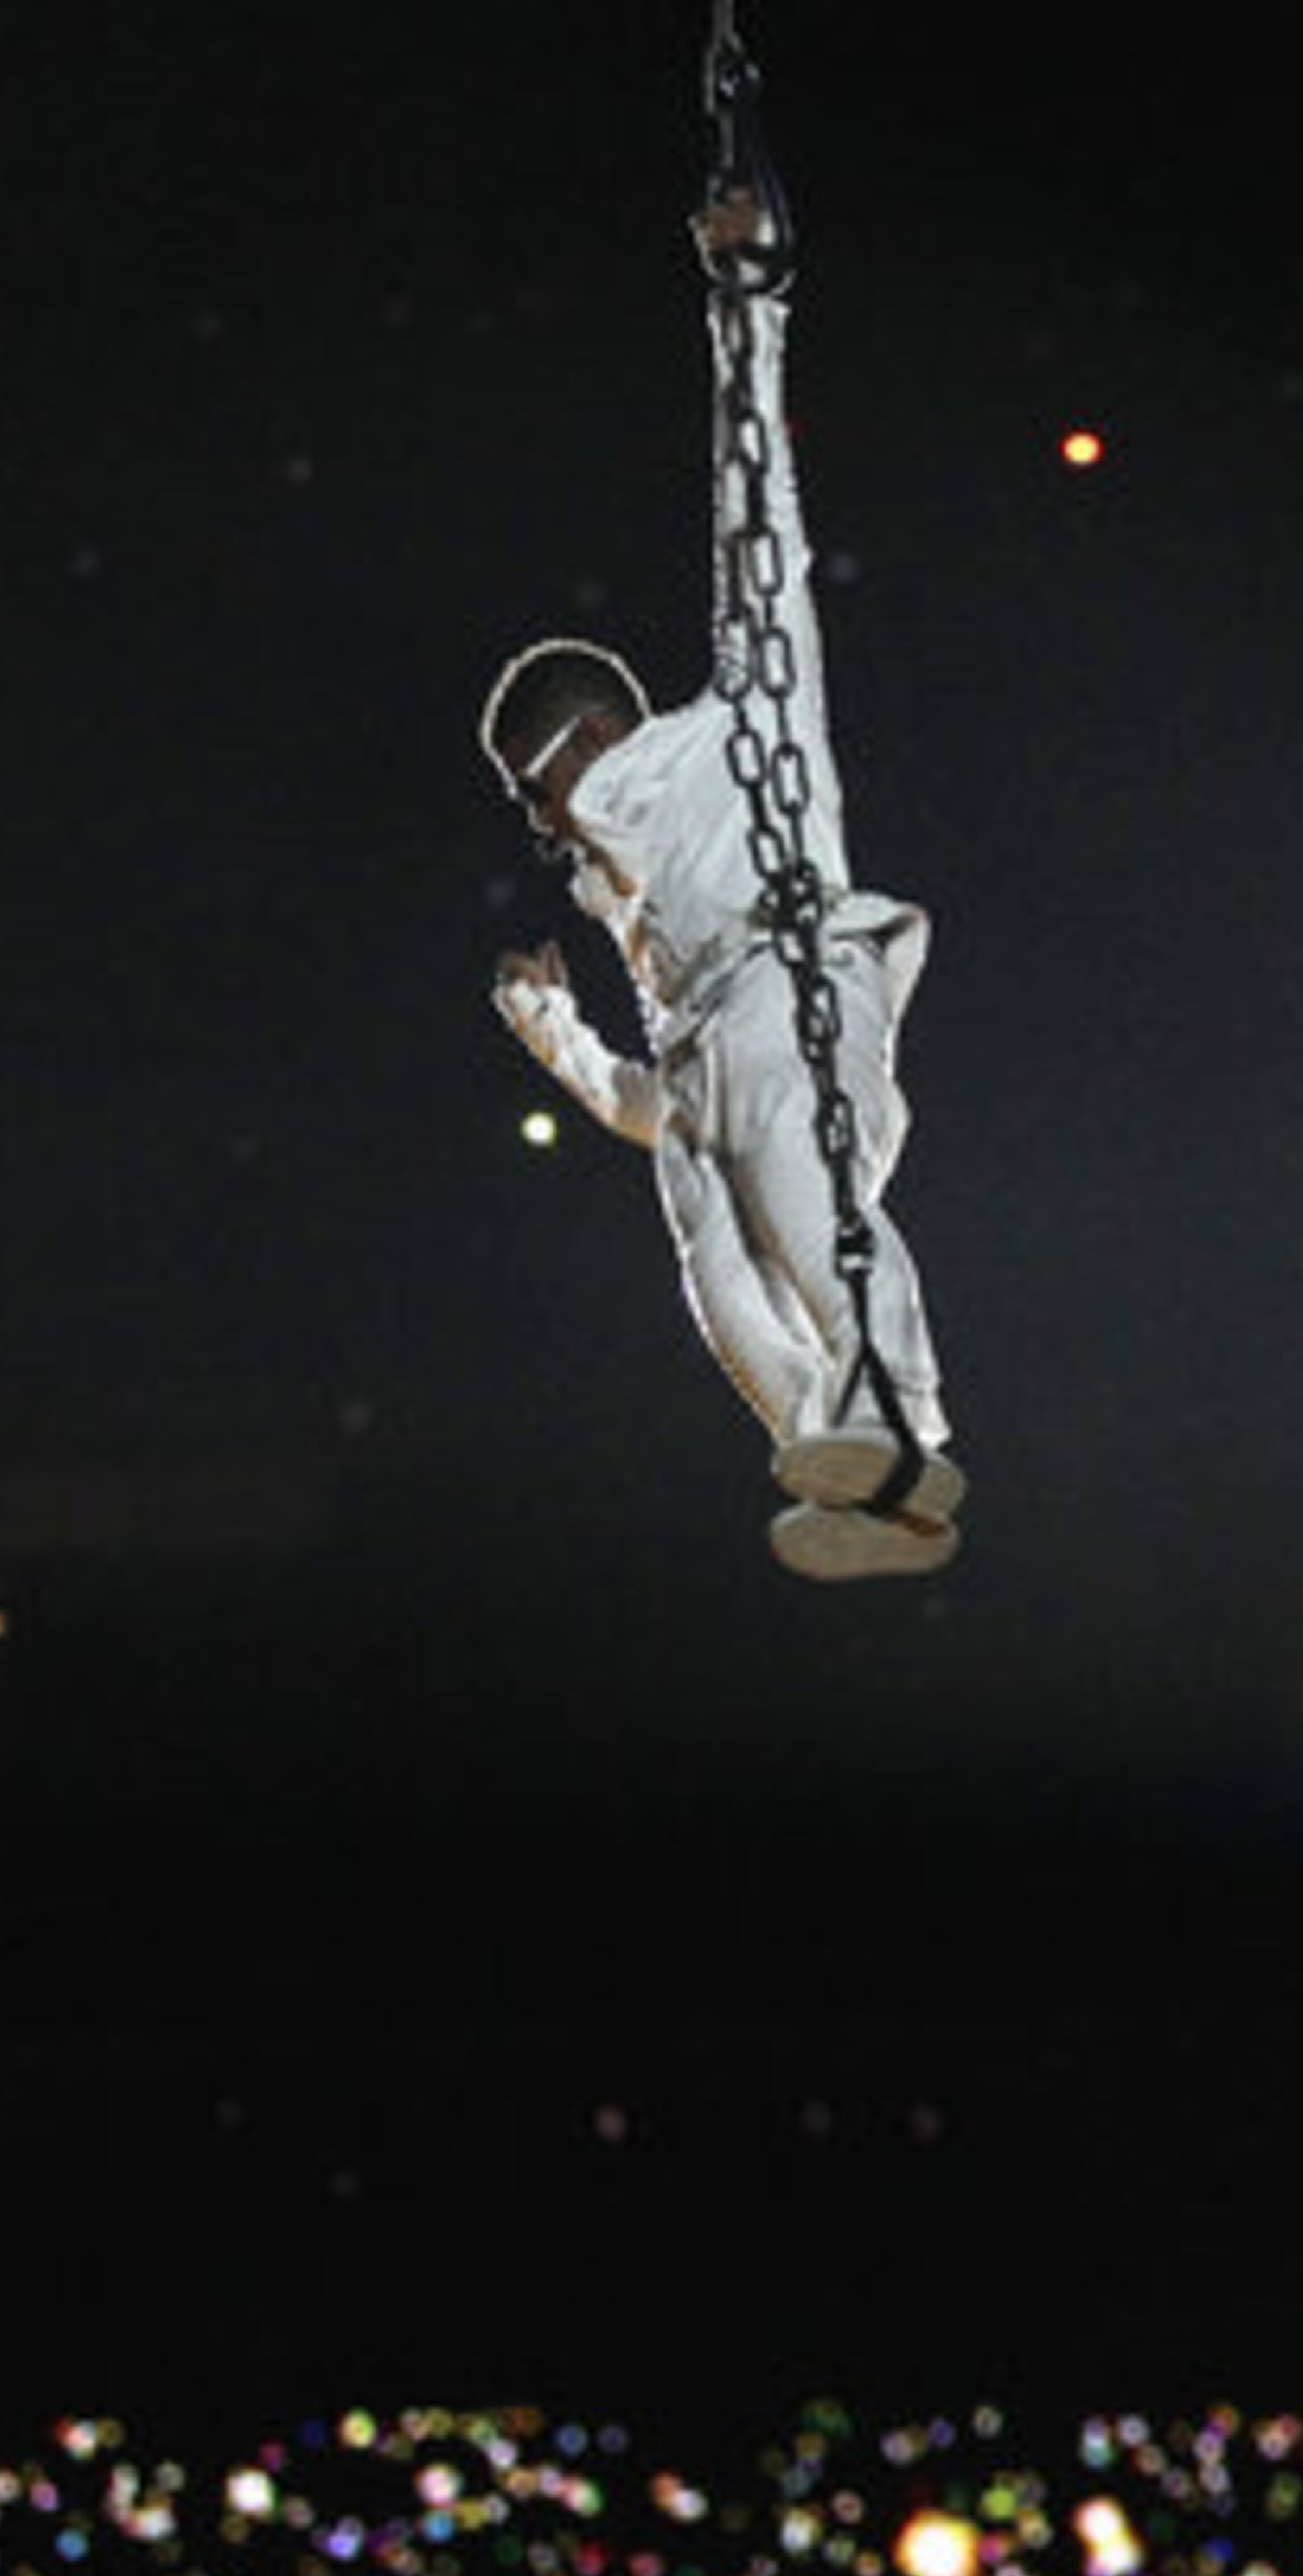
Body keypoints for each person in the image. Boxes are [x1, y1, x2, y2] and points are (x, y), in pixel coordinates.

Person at [481, 186, 961, 1581]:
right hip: (715, 1041)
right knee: (710, 1256)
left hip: (795, 985)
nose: (538, 824)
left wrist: (746, 300)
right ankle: (858, 1470)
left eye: (532, 791)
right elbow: (650, 1107)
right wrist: (555, 1038)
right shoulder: (635, 917)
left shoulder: (737, 731)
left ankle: (899, 1417)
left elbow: (762, 522)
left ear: (572, 754)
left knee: (809, 1210)